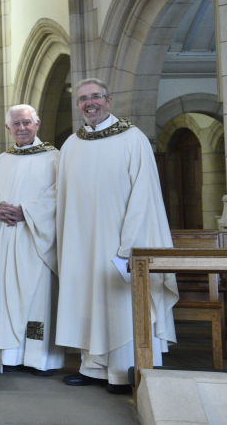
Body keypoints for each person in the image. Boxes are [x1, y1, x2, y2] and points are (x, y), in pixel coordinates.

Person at [55, 78, 178, 395]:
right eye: (83, 99)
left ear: (109, 102)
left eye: (96, 97)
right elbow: (62, 202)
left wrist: (129, 248)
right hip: (82, 247)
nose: (89, 103)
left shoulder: (132, 139)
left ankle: (123, 373)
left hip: (120, 246)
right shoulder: (71, 145)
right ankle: (92, 368)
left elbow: (144, 198)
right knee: (88, 303)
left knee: (120, 307)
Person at [0, 104, 64, 375]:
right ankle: (8, 357)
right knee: (6, 298)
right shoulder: (0, 162)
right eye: (16, 125)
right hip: (4, 243)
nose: (22, 129)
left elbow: (60, 197)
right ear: (8, 129)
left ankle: (38, 358)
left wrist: (27, 212)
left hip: (37, 244)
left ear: (37, 124)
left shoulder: (55, 158)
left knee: (37, 301)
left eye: (26, 123)